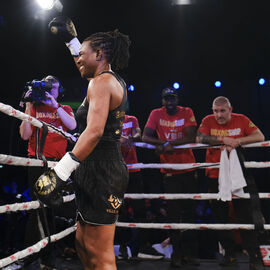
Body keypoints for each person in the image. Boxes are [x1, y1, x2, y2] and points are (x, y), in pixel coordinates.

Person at [34, 16, 130, 270]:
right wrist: (71, 41)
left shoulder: (102, 83)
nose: (77, 59)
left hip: (104, 171)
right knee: (82, 244)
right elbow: (86, 58)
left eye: (82, 54)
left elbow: (95, 131)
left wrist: (60, 172)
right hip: (94, 168)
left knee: (101, 253)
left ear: (99, 54)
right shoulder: (101, 79)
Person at [196, 96, 265, 270]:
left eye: (222, 111)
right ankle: (229, 254)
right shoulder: (207, 121)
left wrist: (239, 141)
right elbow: (199, 138)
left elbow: (259, 135)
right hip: (214, 176)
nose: (218, 115)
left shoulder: (241, 119)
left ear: (230, 109)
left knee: (245, 216)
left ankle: (255, 257)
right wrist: (223, 140)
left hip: (237, 175)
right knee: (220, 218)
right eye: (215, 111)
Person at [19, 75, 77, 269]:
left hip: (58, 166)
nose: (49, 89)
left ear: (58, 90)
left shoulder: (65, 109)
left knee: (47, 210)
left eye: (53, 87)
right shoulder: (34, 108)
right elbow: (25, 135)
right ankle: (39, 257)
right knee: (39, 209)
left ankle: (37, 256)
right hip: (37, 163)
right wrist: (28, 106)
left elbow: (72, 126)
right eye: (46, 86)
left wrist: (54, 104)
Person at [142, 87, 200, 268]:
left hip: (188, 168)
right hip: (169, 170)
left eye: (172, 98)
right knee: (174, 214)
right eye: (167, 99)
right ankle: (177, 253)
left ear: (177, 99)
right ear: (162, 101)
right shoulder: (156, 114)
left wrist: (168, 144)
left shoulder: (187, 111)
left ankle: (189, 254)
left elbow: (191, 137)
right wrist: (163, 144)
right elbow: (145, 136)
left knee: (190, 212)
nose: (170, 102)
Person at [116, 114, 164, 260]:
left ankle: (140, 246)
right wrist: (119, 138)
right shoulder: (107, 119)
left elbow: (138, 133)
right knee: (118, 210)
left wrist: (130, 138)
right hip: (116, 171)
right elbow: (103, 135)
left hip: (134, 171)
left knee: (140, 210)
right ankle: (123, 248)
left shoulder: (132, 119)